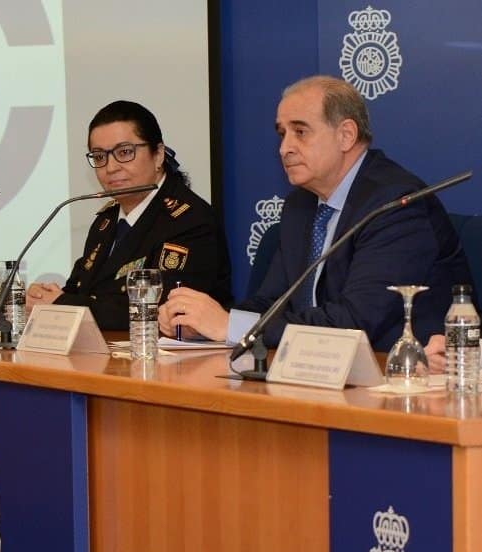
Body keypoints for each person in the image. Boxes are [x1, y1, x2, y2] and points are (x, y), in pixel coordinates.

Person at [160, 75, 472, 352]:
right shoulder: (301, 205)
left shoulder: (396, 204)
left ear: (346, 135)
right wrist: (203, 325)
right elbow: (270, 301)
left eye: (300, 132)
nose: (284, 148)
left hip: (397, 379)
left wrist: (231, 328)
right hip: (313, 371)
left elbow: (356, 322)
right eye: (282, 133)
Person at [25, 100, 232, 330]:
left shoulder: (190, 222)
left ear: (158, 155)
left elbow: (156, 309)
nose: (110, 167)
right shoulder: (106, 221)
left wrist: (62, 305)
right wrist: (44, 299)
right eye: (100, 156)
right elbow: (80, 290)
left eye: (125, 152)